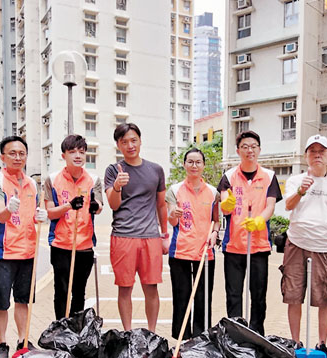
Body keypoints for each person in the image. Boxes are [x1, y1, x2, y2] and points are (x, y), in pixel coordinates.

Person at [282, 135, 327, 358]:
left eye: (321, 151)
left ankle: (322, 345)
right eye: (312, 151)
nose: (317, 155)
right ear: (306, 157)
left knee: (325, 298)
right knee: (293, 295)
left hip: (326, 248)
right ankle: (295, 343)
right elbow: (288, 205)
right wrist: (301, 191)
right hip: (297, 244)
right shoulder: (295, 180)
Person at [103, 123, 169, 331]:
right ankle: (128, 333)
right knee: (125, 288)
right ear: (118, 145)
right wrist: (117, 186)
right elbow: (113, 205)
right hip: (123, 236)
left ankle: (152, 333)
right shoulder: (113, 170)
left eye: (134, 140)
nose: (130, 145)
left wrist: (165, 233)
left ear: (140, 141)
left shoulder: (156, 170)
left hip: (151, 236)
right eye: (125, 142)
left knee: (151, 288)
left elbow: (161, 204)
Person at [218, 131, 282, 335]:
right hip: (234, 245)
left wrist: (259, 220)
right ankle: (235, 336)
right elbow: (225, 207)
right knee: (234, 294)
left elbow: (270, 206)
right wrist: (226, 204)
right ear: (238, 151)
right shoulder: (228, 177)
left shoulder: (270, 176)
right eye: (245, 146)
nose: (249, 150)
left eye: (253, 146)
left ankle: (256, 335)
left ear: (259, 150)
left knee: (259, 295)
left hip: (259, 245)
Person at [0, 136, 43, 358]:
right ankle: (2, 343)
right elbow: (0, 215)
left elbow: (34, 212)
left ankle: (23, 340)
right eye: (12, 153)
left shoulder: (32, 183)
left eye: (21, 153)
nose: (17, 157)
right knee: (1, 301)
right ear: (3, 156)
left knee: (23, 300)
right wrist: (8, 209)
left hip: (28, 252)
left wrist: (41, 216)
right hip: (3, 252)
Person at [44, 134, 103, 319]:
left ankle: (76, 332)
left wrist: (95, 206)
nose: (78, 155)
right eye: (72, 152)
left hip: (84, 246)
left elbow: (99, 205)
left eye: (82, 152)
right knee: (61, 291)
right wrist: (68, 205)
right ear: (64, 155)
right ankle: (61, 328)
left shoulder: (94, 179)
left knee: (79, 292)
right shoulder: (52, 179)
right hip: (61, 245)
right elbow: (50, 212)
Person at [166, 148, 220, 339]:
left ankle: (201, 338)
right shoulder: (174, 190)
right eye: (190, 161)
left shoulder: (213, 192)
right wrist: (173, 214)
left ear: (204, 165)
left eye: (198, 162)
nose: (194, 165)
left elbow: (216, 220)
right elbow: (172, 220)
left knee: (203, 299)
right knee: (181, 298)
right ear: (184, 164)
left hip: (205, 252)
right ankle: (180, 340)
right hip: (180, 251)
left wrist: (214, 233)